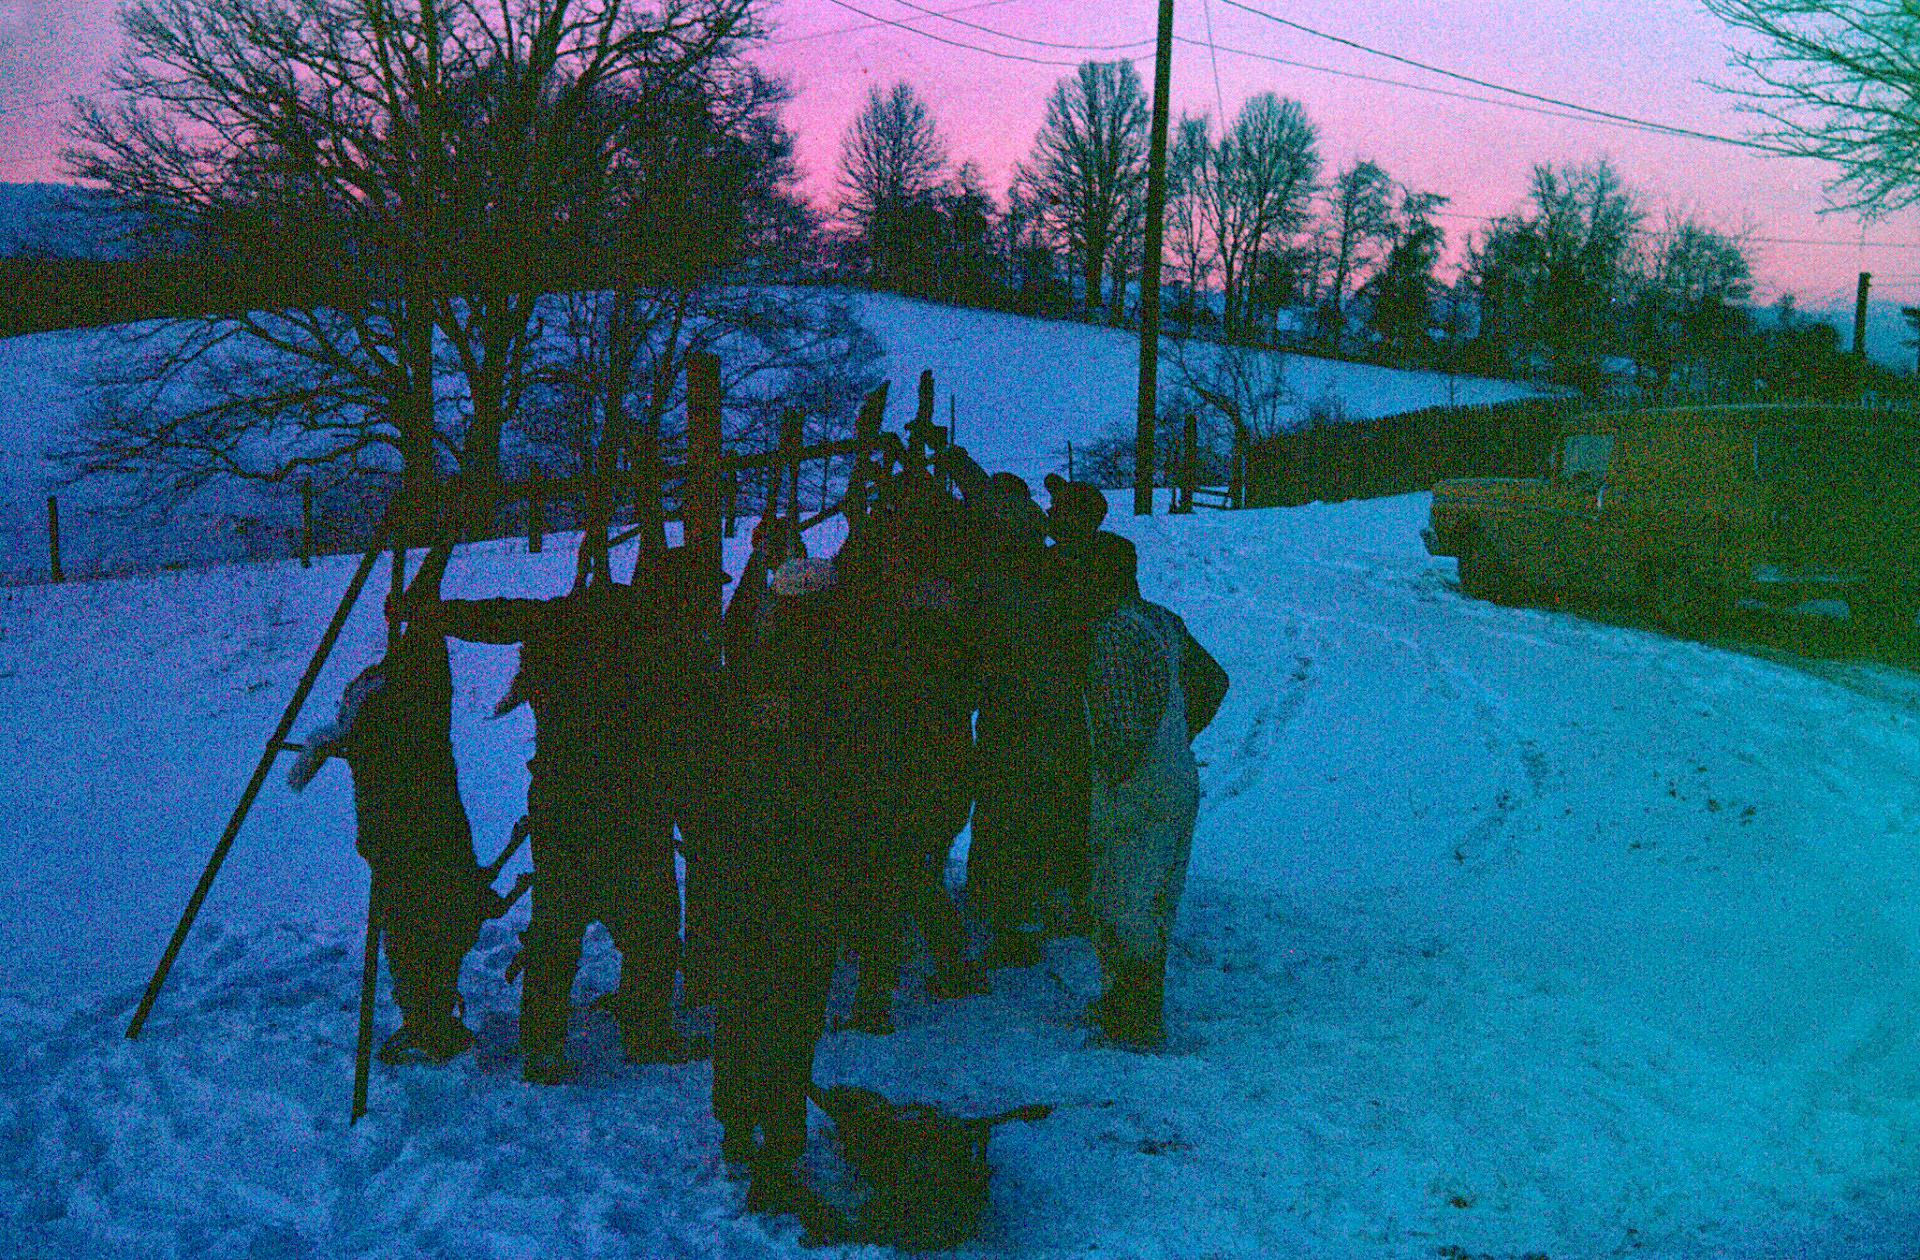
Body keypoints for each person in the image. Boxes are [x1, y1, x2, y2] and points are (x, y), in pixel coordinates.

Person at [405, 549, 725, 1083]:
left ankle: (557, 1042)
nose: (701, 609)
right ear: (673, 594)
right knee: (629, 924)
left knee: (581, 923)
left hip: (584, 800)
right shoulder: (649, 635)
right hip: (609, 802)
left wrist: (432, 612)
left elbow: (503, 617)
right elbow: (689, 732)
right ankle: (631, 1034)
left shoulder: (588, 619)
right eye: (696, 598)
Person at [289, 623, 498, 1065]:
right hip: (415, 836)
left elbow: (333, 740)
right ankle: (427, 1018)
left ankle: (429, 1014)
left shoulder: (390, 689)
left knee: (427, 924)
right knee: (425, 925)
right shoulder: (395, 690)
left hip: (409, 835)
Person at [1073, 532, 1228, 1047]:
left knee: (1123, 901)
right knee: (1157, 899)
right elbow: (1214, 681)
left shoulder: (1110, 630)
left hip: (1134, 785)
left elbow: (1116, 721)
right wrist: (1178, 734)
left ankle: (1132, 1020)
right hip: (1177, 777)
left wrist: (1114, 779)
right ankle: (1136, 1009)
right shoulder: (1161, 620)